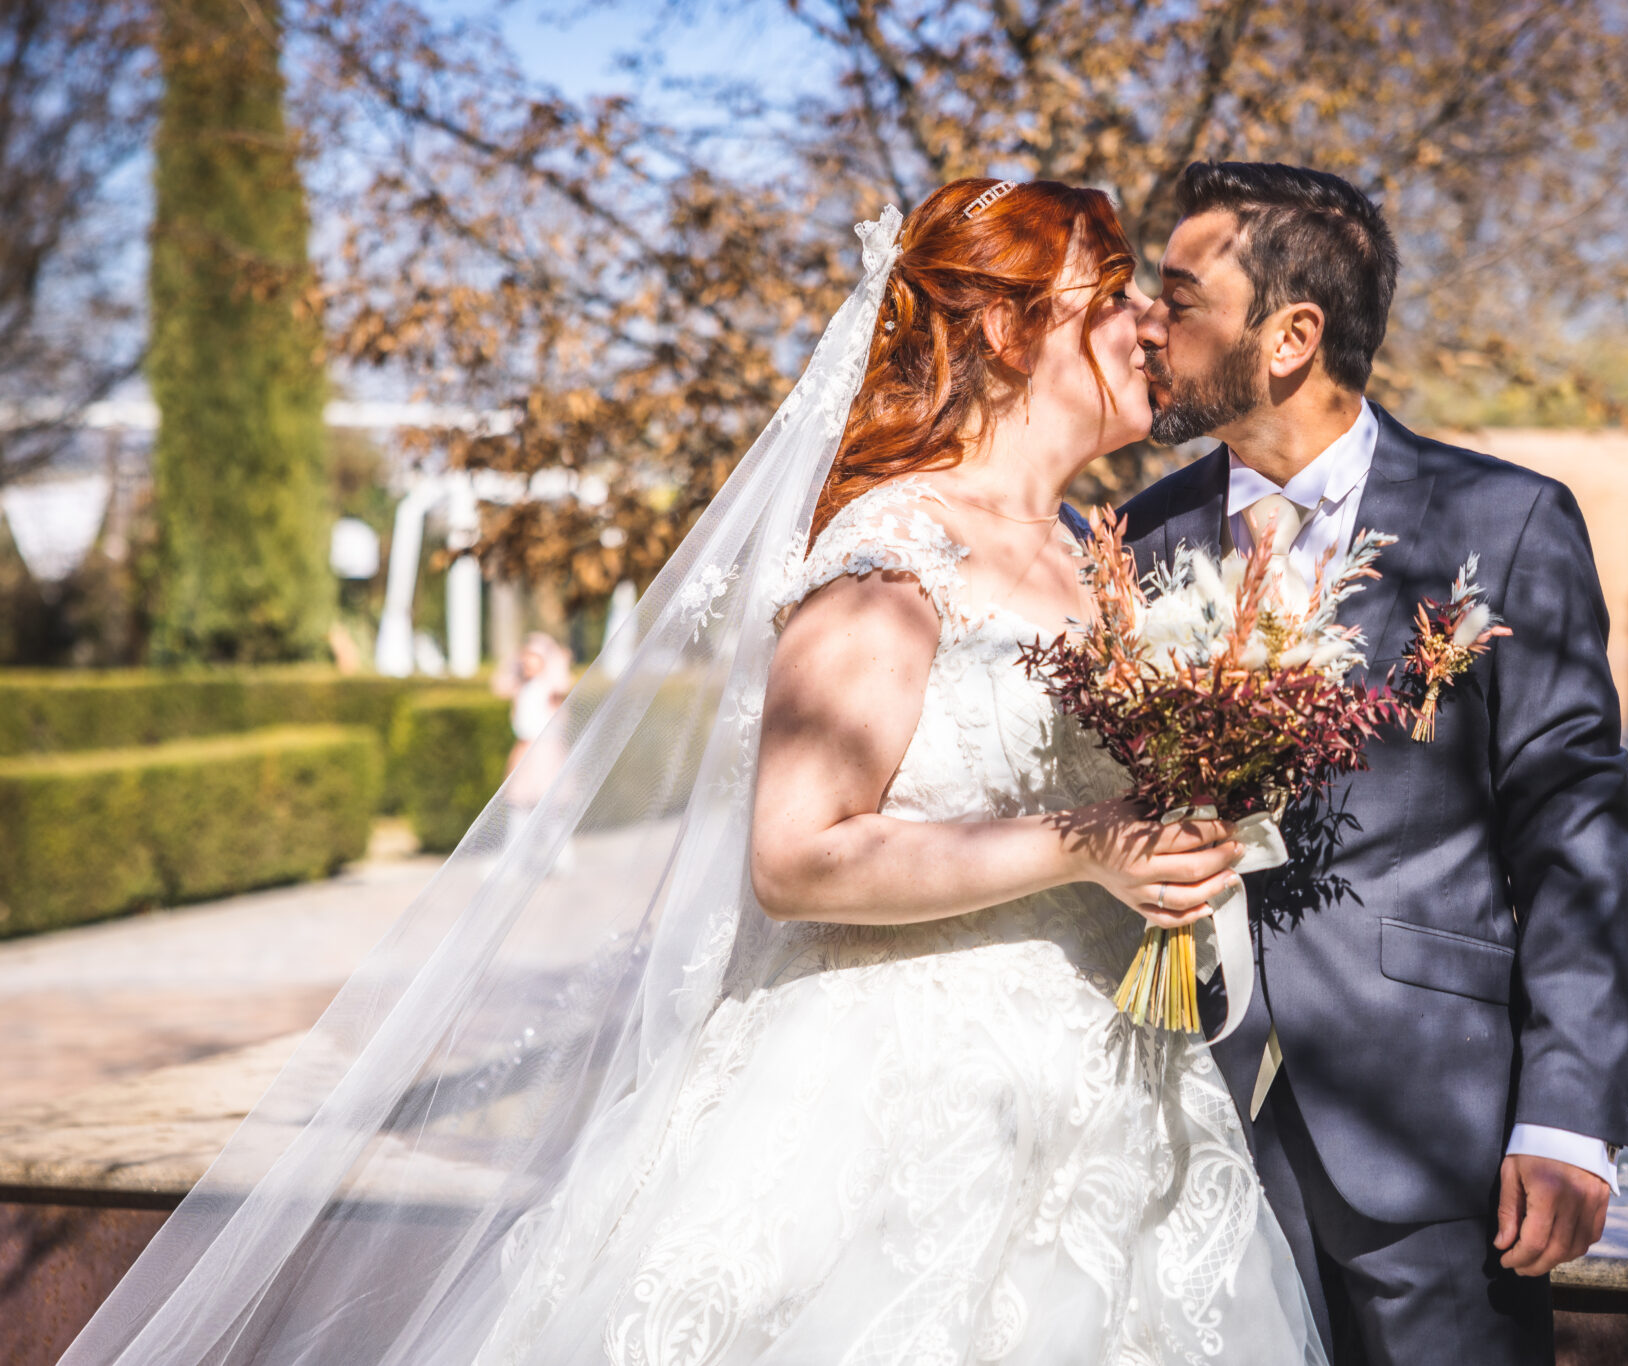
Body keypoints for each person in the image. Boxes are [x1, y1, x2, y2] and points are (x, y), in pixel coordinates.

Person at [59, 182, 1322, 1364]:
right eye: (1111, 296)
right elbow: (795, 853)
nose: (1152, 325)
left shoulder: (1081, 554)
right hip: (890, 1101)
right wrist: (1085, 842)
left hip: (1106, 1091)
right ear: (1002, 327)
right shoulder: (892, 552)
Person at [1119, 161, 1628, 1365]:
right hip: (1179, 1115)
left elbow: (1569, 827)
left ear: (1289, 335)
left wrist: (1566, 1117)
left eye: (1181, 295)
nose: (1151, 323)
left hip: (1422, 1120)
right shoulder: (1137, 539)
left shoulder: (1503, 523)